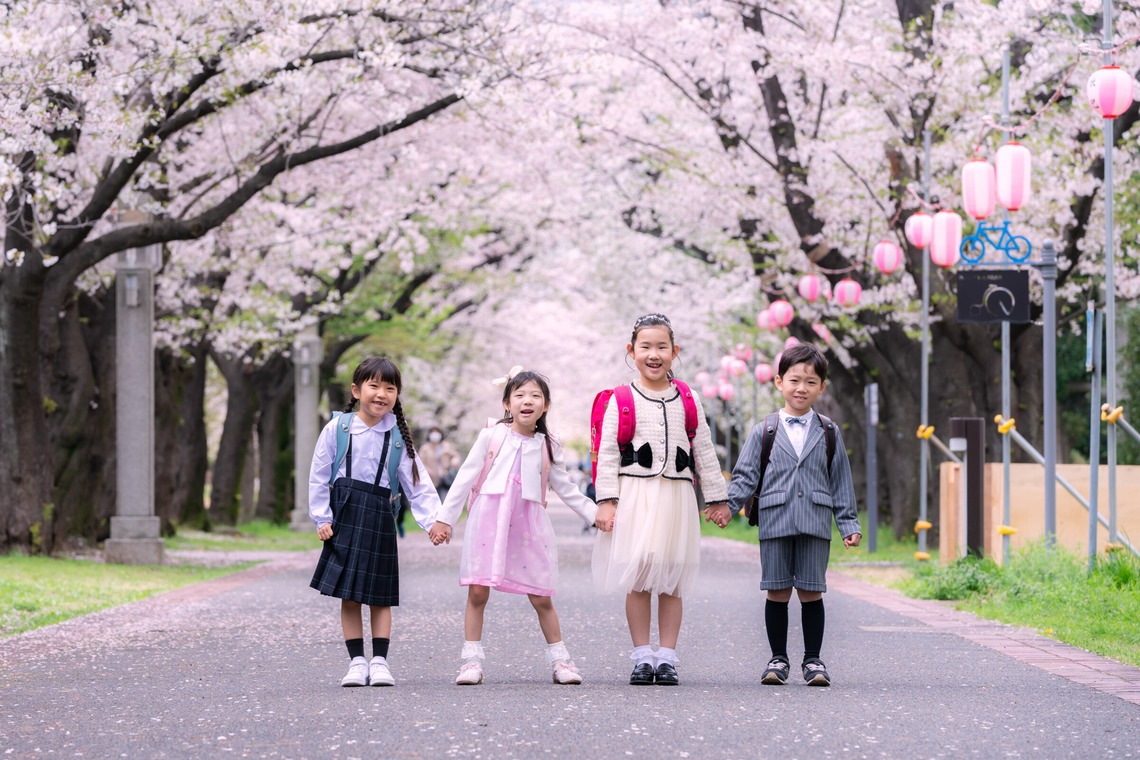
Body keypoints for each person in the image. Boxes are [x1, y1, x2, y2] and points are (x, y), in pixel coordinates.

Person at [429, 368, 600, 686]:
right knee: (478, 591)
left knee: (541, 594)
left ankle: (560, 661)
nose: (527, 401)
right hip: (488, 520)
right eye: (519, 395)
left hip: (528, 524)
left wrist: (595, 514)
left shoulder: (548, 443)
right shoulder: (491, 435)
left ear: (545, 405)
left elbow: (565, 486)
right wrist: (445, 519)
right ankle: (471, 662)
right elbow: (466, 476)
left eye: (536, 395)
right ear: (507, 403)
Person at [592, 313, 730, 686]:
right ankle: (641, 656)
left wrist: (717, 498)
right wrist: (606, 501)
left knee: (672, 576)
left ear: (675, 351)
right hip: (636, 495)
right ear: (631, 351)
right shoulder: (620, 399)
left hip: (676, 497)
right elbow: (606, 453)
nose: (654, 355)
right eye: (645, 347)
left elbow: (703, 449)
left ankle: (666, 655)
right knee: (638, 577)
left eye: (662, 347)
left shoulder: (688, 398)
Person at [725, 342, 861, 687]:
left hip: (815, 520)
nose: (802, 388)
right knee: (777, 591)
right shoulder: (764, 430)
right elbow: (744, 476)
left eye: (811, 382)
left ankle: (813, 661)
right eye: (795, 380)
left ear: (822, 387)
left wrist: (848, 523)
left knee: (812, 591)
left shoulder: (829, 431)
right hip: (775, 520)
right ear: (779, 382)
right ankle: (778, 659)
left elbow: (840, 480)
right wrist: (727, 507)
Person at [308, 356, 442, 688]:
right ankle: (356, 662)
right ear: (356, 390)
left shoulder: (397, 435)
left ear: (397, 395)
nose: (381, 394)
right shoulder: (337, 429)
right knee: (349, 594)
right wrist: (321, 517)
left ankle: (380, 661)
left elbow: (417, 482)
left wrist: (435, 522)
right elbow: (318, 475)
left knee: (380, 594)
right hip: (345, 513)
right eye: (374, 386)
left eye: (390, 387)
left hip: (380, 513)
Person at [420, 426, 461, 499]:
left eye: (436, 432)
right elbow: (420, 463)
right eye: (432, 433)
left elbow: (455, 455)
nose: (435, 435)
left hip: (445, 477)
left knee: (444, 499)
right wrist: (427, 470)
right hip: (430, 479)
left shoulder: (446, 446)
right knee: (432, 499)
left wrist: (454, 462)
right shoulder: (425, 448)